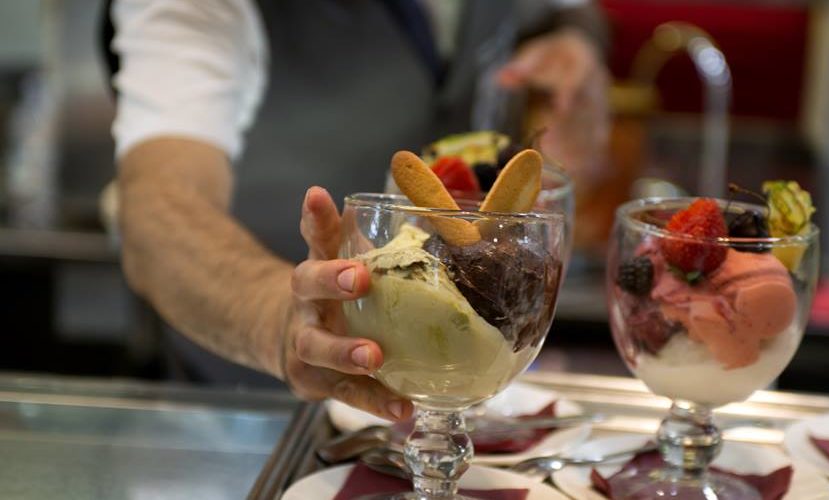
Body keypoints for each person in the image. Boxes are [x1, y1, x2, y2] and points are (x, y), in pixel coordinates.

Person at [104, 0, 610, 422]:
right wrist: (284, 323)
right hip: (245, 415)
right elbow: (159, 213)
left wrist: (573, 39)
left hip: (460, 396)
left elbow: (566, 9)